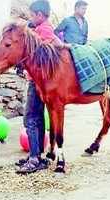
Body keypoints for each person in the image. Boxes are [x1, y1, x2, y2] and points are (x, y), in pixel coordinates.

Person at [16, 0, 68, 174]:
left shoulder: (43, 29)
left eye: (32, 15)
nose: (30, 18)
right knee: (36, 117)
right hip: (39, 81)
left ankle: (34, 159)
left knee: (30, 118)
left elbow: (41, 55)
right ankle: (36, 154)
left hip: (38, 81)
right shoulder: (42, 29)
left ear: (39, 15)